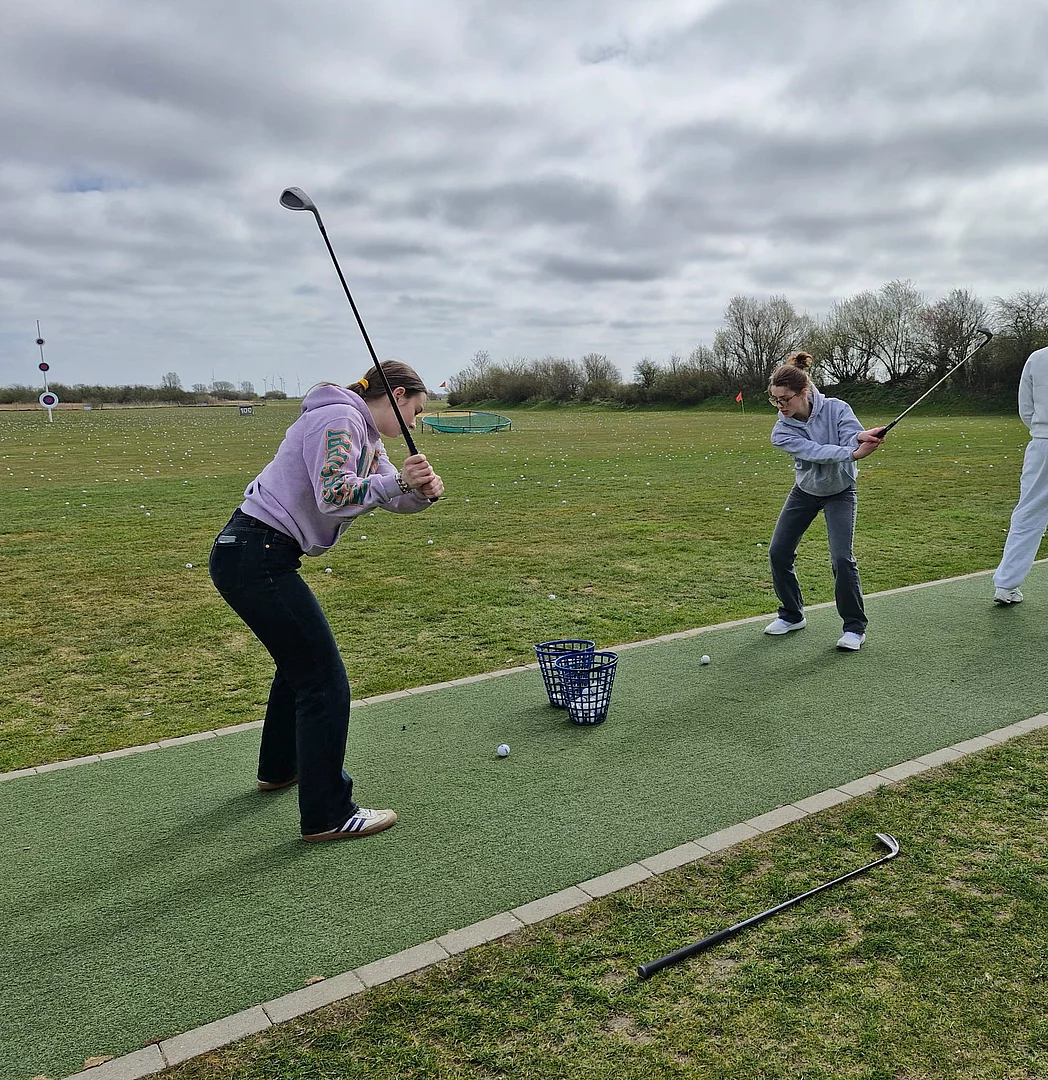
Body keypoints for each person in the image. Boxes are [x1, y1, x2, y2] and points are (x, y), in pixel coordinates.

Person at [208, 360, 443, 842]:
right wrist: (401, 482)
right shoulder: (339, 417)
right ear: (397, 395)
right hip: (257, 553)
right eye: (415, 411)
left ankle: (280, 768)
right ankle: (328, 813)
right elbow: (335, 495)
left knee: (298, 667)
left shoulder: (366, 434)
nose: (415, 422)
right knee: (323, 679)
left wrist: (420, 492)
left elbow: (387, 494)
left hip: (254, 553)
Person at [763, 352, 884, 650]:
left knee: (842, 558)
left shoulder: (837, 408)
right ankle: (792, 615)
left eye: (784, 399)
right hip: (805, 491)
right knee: (778, 552)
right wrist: (852, 452)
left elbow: (849, 436)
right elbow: (815, 452)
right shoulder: (781, 431)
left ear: (803, 392)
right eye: (774, 400)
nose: (780, 406)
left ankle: (854, 628)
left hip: (841, 491)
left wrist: (859, 437)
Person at [992, 344, 1048, 605]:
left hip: (1042, 444)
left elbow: (1026, 409)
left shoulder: (1038, 358)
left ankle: (1006, 584)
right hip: (1042, 439)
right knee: (1029, 512)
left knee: (1029, 512)